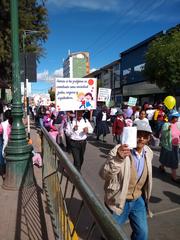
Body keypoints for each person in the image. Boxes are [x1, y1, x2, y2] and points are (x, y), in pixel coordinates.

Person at [100, 120, 153, 240]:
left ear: (149, 138)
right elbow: (105, 174)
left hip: (138, 199)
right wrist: (118, 158)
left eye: (145, 136)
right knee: (110, 233)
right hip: (119, 199)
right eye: (138, 135)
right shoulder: (118, 150)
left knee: (142, 234)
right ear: (132, 134)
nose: (141, 139)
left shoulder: (148, 152)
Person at [159, 110, 180, 183]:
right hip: (168, 145)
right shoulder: (166, 124)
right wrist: (168, 130)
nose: (177, 119)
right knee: (174, 161)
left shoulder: (177, 124)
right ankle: (174, 176)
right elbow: (163, 135)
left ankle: (162, 167)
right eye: (175, 118)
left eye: (177, 117)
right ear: (171, 117)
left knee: (165, 157)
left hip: (176, 145)